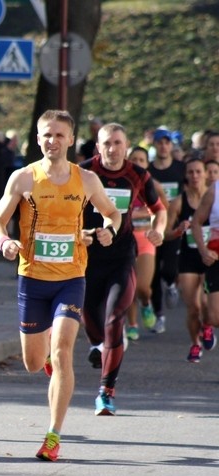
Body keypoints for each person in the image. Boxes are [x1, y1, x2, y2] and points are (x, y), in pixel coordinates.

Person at [0, 110, 120, 461]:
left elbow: (112, 213)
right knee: (34, 363)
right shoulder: (23, 178)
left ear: (71, 139)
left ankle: (53, 435)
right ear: (38, 138)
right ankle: (42, 353)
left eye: (60, 135)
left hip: (71, 278)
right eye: (47, 135)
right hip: (32, 279)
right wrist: (5, 242)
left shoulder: (87, 180)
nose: (53, 141)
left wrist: (109, 230)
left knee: (63, 352)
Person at [79, 123, 166, 415]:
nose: (112, 149)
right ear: (98, 147)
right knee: (90, 314)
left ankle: (106, 391)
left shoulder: (138, 174)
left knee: (115, 318)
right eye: (107, 143)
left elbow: (159, 209)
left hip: (121, 256)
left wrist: (159, 230)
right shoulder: (82, 172)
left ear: (125, 146)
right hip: (87, 258)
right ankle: (98, 346)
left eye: (118, 143)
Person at [170, 157, 214, 362]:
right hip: (188, 258)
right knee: (193, 307)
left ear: (205, 173)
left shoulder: (214, 197)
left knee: (206, 304)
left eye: (199, 171)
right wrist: (178, 230)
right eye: (191, 172)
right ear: (186, 176)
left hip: (211, 257)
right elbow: (164, 234)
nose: (195, 176)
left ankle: (207, 326)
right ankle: (195, 344)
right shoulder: (179, 201)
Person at [124, 146, 169, 341]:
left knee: (142, 286)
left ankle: (146, 303)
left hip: (145, 239)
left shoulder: (154, 185)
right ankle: (132, 324)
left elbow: (163, 210)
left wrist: (157, 228)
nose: (138, 163)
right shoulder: (122, 184)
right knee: (129, 285)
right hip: (124, 239)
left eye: (142, 160)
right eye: (134, 159)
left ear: (147, 163)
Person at [147, 127, 186, 333]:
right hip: (153, 226)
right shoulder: (149, 171)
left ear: (171, 145)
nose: (163, 146)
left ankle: (171, 283)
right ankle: (159, 315)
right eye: (160, 142)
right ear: (155, 144)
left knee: (169, 269)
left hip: (174, 226)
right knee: (152, 274)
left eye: (167, 142)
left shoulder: (181, 168)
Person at [189, 162, 219, 359]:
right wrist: (203, 250)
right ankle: (207, 324)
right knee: (215, 315)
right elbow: (197, 222)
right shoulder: (214, 190)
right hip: (216, 256)